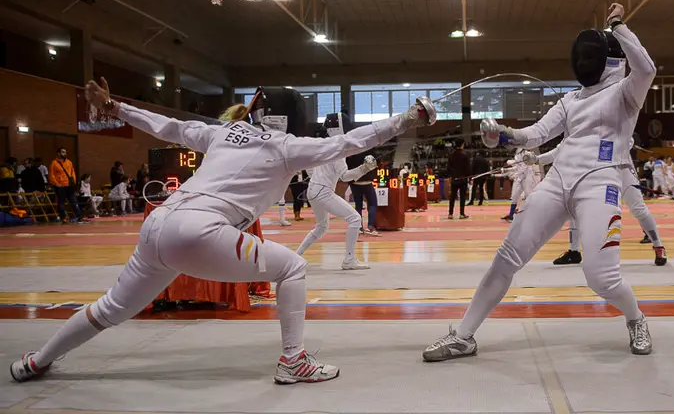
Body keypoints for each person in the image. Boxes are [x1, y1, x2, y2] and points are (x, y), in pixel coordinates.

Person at [9, 78, 433, 384]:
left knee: (108, 310)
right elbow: (349, 143)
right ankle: (294, 361)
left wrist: (117, 107)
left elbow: (168, 126)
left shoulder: (222, 134)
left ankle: (35, 362)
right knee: (292, 269)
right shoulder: (286, 147)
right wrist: (406, 118)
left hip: (158, 224)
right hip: (199, 232)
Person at [423, 4, 656, 361]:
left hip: (600, 185)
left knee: (601, 278)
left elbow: (647, 66)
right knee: (506, 258)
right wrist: (504, 135)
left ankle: (636, 318)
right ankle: (464, 336)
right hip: (557, 181)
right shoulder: (571, 100)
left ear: (609, 58)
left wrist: (620, 26)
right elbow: (535, 134)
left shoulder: (626, 91)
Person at [534, 140, 667, 266]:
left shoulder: (615, 122)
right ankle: (574, 251)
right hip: (597, 175)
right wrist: (536, 159)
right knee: (574, 207)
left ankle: (658, 245)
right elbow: (560, 150)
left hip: (622, 170)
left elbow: (628, 140)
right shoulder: (580, 126)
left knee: (638, 208)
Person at [295, 112, 381, 270]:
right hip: (322, 192)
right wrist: (365, 168)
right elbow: (346, 176)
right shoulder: (338, 149)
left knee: (321, 227)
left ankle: (295, 257)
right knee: (355, 219)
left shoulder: (323, 145)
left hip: (312, 191)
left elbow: (308, 166)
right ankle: (349, 260)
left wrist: (317, 177)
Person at [496, 149, 537, 222]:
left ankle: (532, 215)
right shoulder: (517, 154)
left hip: (527, 178)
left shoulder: (527, 154)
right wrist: (506, 170)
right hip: (519, 178)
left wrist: (515, 175)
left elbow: (524, 167)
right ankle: (511, 215)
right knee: (514, 196)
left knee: (528, 196)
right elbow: (517, 167)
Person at [347, 149, 381, 236]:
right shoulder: (370, 150)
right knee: (373, 204)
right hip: (367, 182)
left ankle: (358, 228)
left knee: (358, 206)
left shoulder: (350, 152)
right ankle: (370, 227)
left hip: (354, 182)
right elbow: (376, 163)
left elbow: (346, 168)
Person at [49, 148, 86, 224]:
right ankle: (63, 218)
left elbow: (73, 172)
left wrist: (73, 182)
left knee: (74, 201)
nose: (65, 153)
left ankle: (79, 216)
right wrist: (57, 184)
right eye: (63, 152)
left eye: (65, 152)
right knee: (61, 203)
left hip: (69, 186)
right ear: (58, 153)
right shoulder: (54, 163)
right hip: (60, 187)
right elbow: (51, 176)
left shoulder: (69, 162)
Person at [447, 138, 471, 219]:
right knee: (462, 197)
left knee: (452, 197)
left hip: (454, 179)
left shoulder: (451, 154)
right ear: (462, 145)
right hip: (463, 179)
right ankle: (461, 213)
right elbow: (468, 168)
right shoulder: (465, 155)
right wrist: (469, 177)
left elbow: (448, 168)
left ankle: (450, 214)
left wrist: (452, 175)